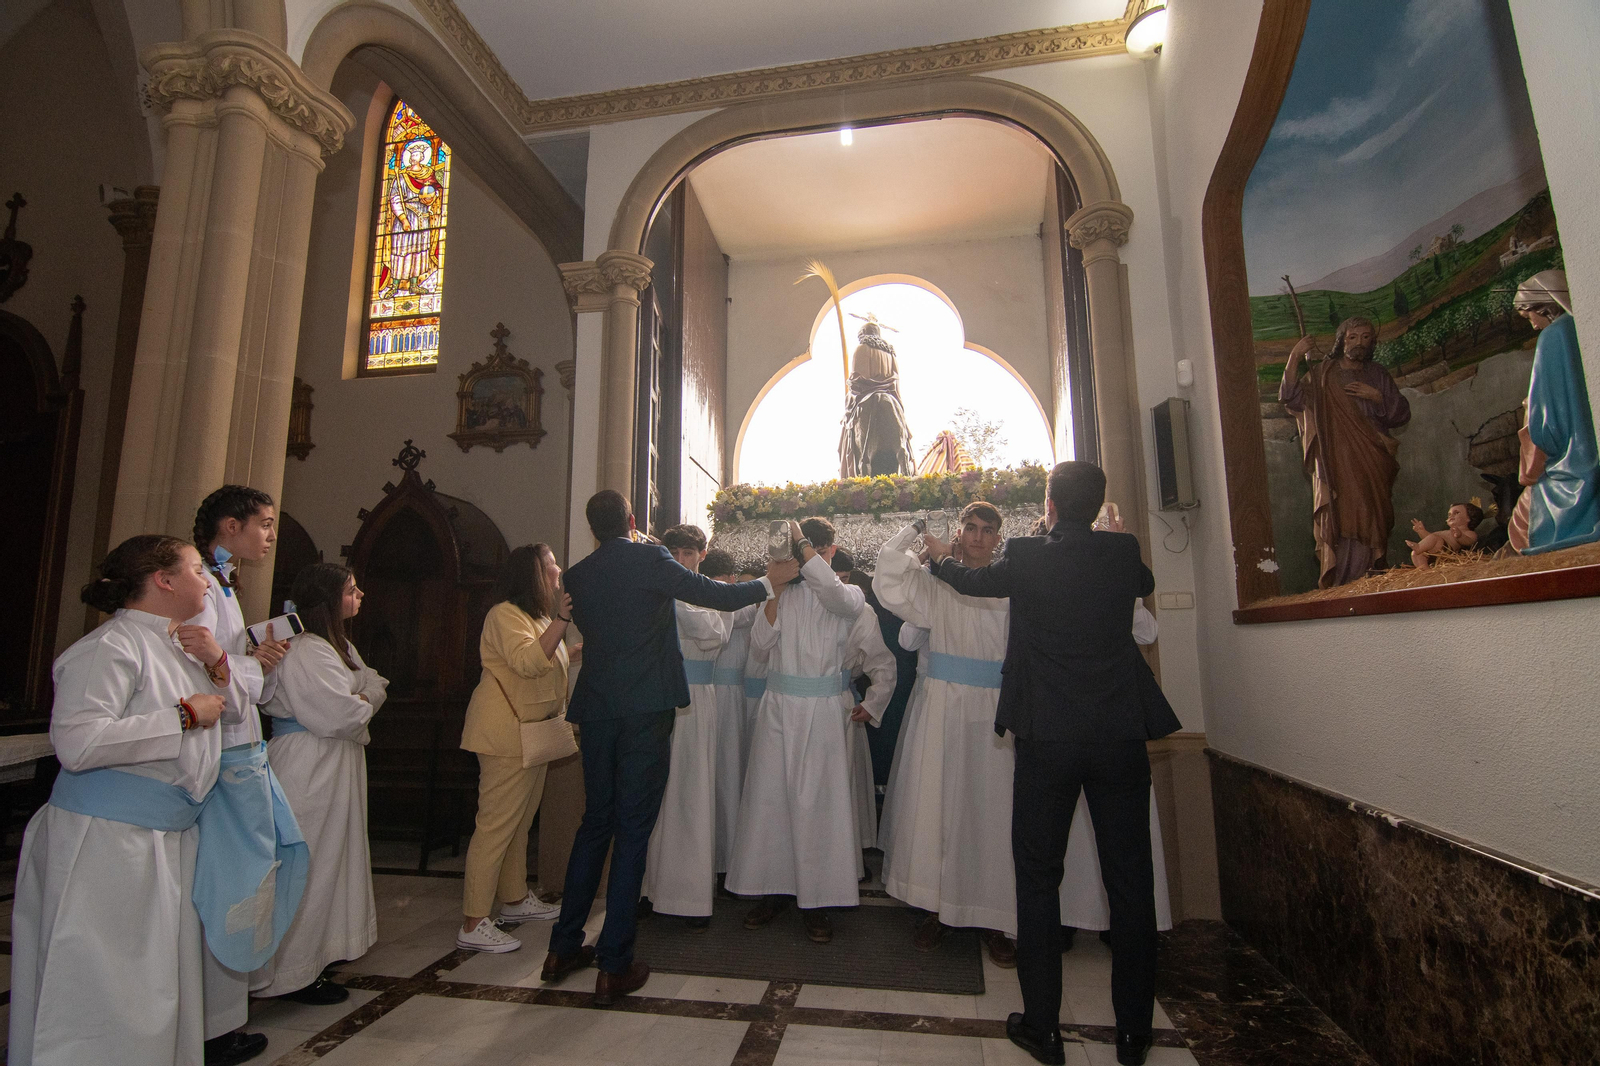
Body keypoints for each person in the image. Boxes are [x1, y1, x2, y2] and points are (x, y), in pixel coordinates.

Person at [923, 461, 1181, 1066]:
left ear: (1050, 503)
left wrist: (937, 558)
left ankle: (1043, 1028)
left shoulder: (1030, 555)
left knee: (1038, 880)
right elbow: (1141, 577)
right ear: (1100, 506)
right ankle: (1134, 1034)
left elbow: (975, 583)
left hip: (1048, 738)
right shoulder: (1123, 554)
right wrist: (1106, 530)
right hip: (1118, 735)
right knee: (1131, 881)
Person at [542, 491, 798, 1007]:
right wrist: (771, 580)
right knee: (634, 828)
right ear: (633, 522)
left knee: (596, 824)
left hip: (594, 710)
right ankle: (614, 963)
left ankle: (562, 948)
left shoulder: (575, 576)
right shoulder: (650, 557)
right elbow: (715, 596)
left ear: (593, 529)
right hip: (645, 711)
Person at [10, 536, 232, 1066]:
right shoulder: (109, 648)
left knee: (152, 987)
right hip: (106, 842)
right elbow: (79, 743)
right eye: (198, 569)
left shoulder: (175, 645)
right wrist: (183, 716)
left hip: (158, 838)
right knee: (104, 990)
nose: (208, 581)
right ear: (163, 579)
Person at [726, 518, 890, 944]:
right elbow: (760, 649)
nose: (802, 561)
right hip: (779, 710)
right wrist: (774, 591)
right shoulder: (782, 595)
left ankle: (818, 899)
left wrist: (871, 705)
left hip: (823, 716)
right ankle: (772, 888)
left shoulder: (850, 597)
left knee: (819, 810)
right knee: (772, 803)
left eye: (811, 552)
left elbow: (880, 661)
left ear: (827, 552)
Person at [874, 502, 1018, 966]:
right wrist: (917, 531)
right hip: (939, 706)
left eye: (987, 530)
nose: (978, 537)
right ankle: (934, 907)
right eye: (971, 528)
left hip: (995, 712)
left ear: (998, 537)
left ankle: (995, 914)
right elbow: (889, 574)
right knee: (937, 805)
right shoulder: (934, 581)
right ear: (959, 532)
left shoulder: (1014, 585)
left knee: (991, 811)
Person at [190, 486, 295, 1066]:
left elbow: (229, 666)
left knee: (248, 877)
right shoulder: (204, 587)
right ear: (230, 527)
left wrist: (257, 658)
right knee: (230, 882)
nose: (270, 535)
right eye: (265, 524)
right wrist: (254, 666)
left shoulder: (223, 583)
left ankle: (224, 1021)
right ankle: (213, 1029)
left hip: (238, 743)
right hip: (221, 749)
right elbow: (211, 678)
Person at [254, 564, 387, 999]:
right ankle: (289, 971)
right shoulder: (307, 649)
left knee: (332, 861)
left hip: (332, 762)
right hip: (307, 764)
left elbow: (374, 682)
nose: (360, 593)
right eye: (351, 589)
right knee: (306, 864)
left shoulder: (338, 644)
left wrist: (363, 696)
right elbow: (341, 713)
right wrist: (364, 698)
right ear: (328, 600)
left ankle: (313, 962)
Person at [455, 545, 572, 953]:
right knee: (495, 828)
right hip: (504, 735)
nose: (559, 569)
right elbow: (527, 663)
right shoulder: (504, 614)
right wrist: (561, 620)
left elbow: (548, 661)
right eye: (551, 563)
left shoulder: (535, 616)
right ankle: (473, 922)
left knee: (520, 824)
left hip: (533, 733)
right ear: (534, 573)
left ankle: (515, 901)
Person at [1279, 316, 1411, 587]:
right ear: (1341, 341)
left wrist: (1377, 397)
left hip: (1374, 456)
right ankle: (1345, 580)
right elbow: (1291, 397)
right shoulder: (1324, 373)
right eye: (1353, 337)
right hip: (1338, 460)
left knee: (1373, 513)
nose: (1359, 343)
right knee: (1344, 513)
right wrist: (1294, 356)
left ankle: (1371, 574)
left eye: (1365, 337)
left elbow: (1401, 413)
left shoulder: (1378, 374)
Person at [642, 525, 730, 928]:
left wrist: (668, 598)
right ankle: (650, 889)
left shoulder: (710, 593)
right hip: (658, 698)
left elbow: (712, 634)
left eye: (689, 553)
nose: (681, 560)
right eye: (674, 552)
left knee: (690, 794)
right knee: (657, 796)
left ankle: (688, 897)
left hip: (696, 702)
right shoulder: (659, 593)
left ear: (702, 555)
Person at [1507, 270, 1600, 553]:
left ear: (1545, 306)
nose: (1533, 326)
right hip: (1591, 448)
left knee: (1521, 519)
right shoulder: (1585, 327)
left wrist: (1529, 408)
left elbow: (1547, 423)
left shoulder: (1554, 336)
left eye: (1530, 316)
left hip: (1575, 461)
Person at [696, 549, 757, 885]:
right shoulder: (705, 601)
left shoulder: (739, 606)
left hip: (732, 698)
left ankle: (727, 857)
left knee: (728, 776)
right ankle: (714, 856)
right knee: (714, 777)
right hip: (710, 694)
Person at [1407, 502, 1484, 567]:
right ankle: (1425, 571)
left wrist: (1460, 536)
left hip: (1447, 551)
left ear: (1469, 518)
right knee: (1416, 554)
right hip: (1435, 550)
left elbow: (1470, 541)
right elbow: (1428, 540)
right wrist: (1422, 531)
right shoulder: (1446, 532)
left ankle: (1419, 547)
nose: (1451, 516)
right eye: (1449, 514)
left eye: (1456, 513)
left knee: (1433, 539)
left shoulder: (1469, 532)